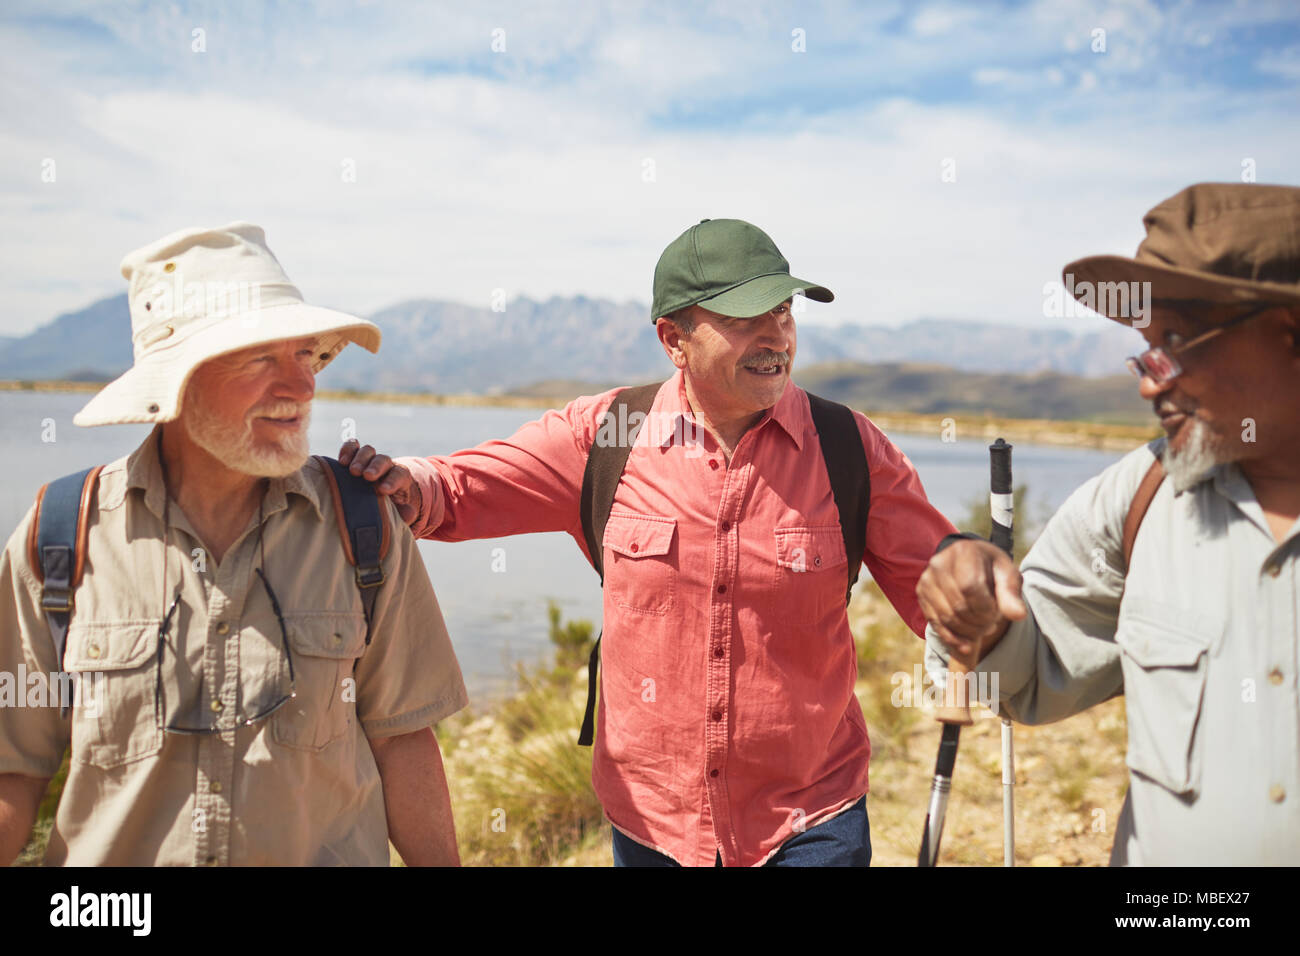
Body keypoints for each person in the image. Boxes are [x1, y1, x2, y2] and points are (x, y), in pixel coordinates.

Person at [343, 218, 957, 866]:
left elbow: (949, 584)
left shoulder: (849, 449)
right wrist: (400, 484)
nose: (777, 332)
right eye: (747, 316)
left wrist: (980, 581)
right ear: (674, 339)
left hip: (810, 823)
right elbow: (458, 489)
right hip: (652, 826)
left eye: (784, 310)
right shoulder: (606, 436)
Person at [0, 223, 468, 866]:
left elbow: (403, 741)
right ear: (176, 383)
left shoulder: (364, 530)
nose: (303, 388)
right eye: (260, 359)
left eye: (305, 355)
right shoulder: (60, 537)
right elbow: (13, 771)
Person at [917, 182, 1300, 865]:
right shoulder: (1140, 496)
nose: (1150, 381)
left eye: (1176, 344)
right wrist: (975, 610)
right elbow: (1027, 671)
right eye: (1144, 350)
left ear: (1289, 334)